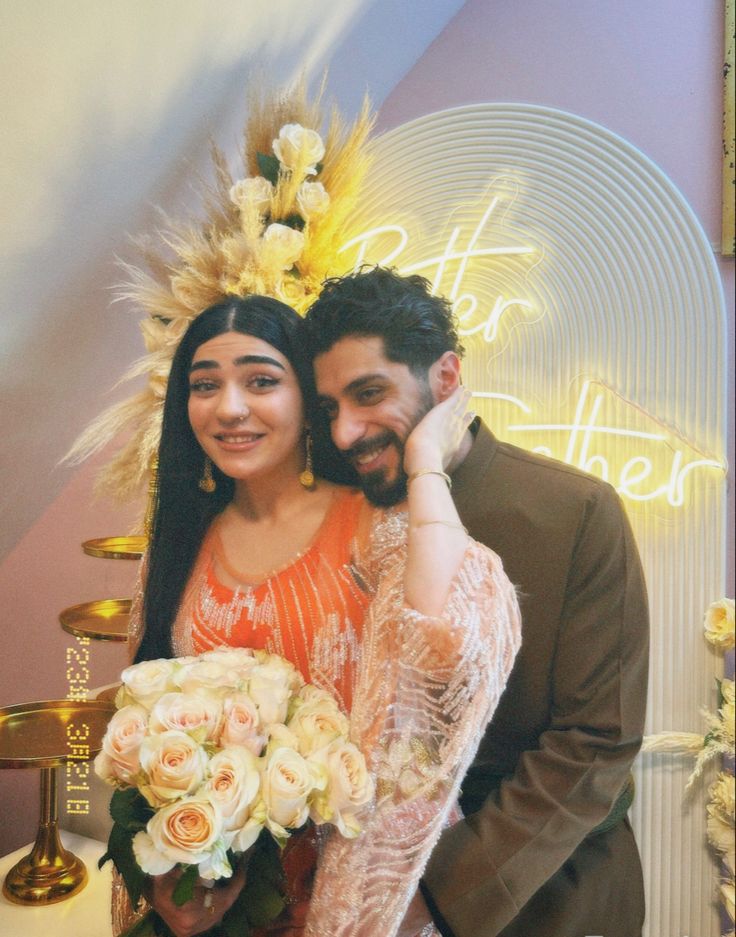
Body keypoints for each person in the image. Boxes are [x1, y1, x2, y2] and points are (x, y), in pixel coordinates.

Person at [116, 293, 521, 937]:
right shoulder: (177, 545)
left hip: (366, 897)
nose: (229, 408)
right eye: (204, 385)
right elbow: (147, 731)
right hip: (228, 904)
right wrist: (173, 877)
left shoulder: (372, 526)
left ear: (307, 399)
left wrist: (424, 462)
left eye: (261, 381)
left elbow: (448, 647)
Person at [302, 266, 650, 937]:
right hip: (359, 888)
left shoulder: (577, 511)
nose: (345, 432)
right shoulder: (333, 518)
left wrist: (438, 893)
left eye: (369, 393)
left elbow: (596, 742)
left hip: (549, 890)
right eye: (328, 409)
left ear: (446, 378)